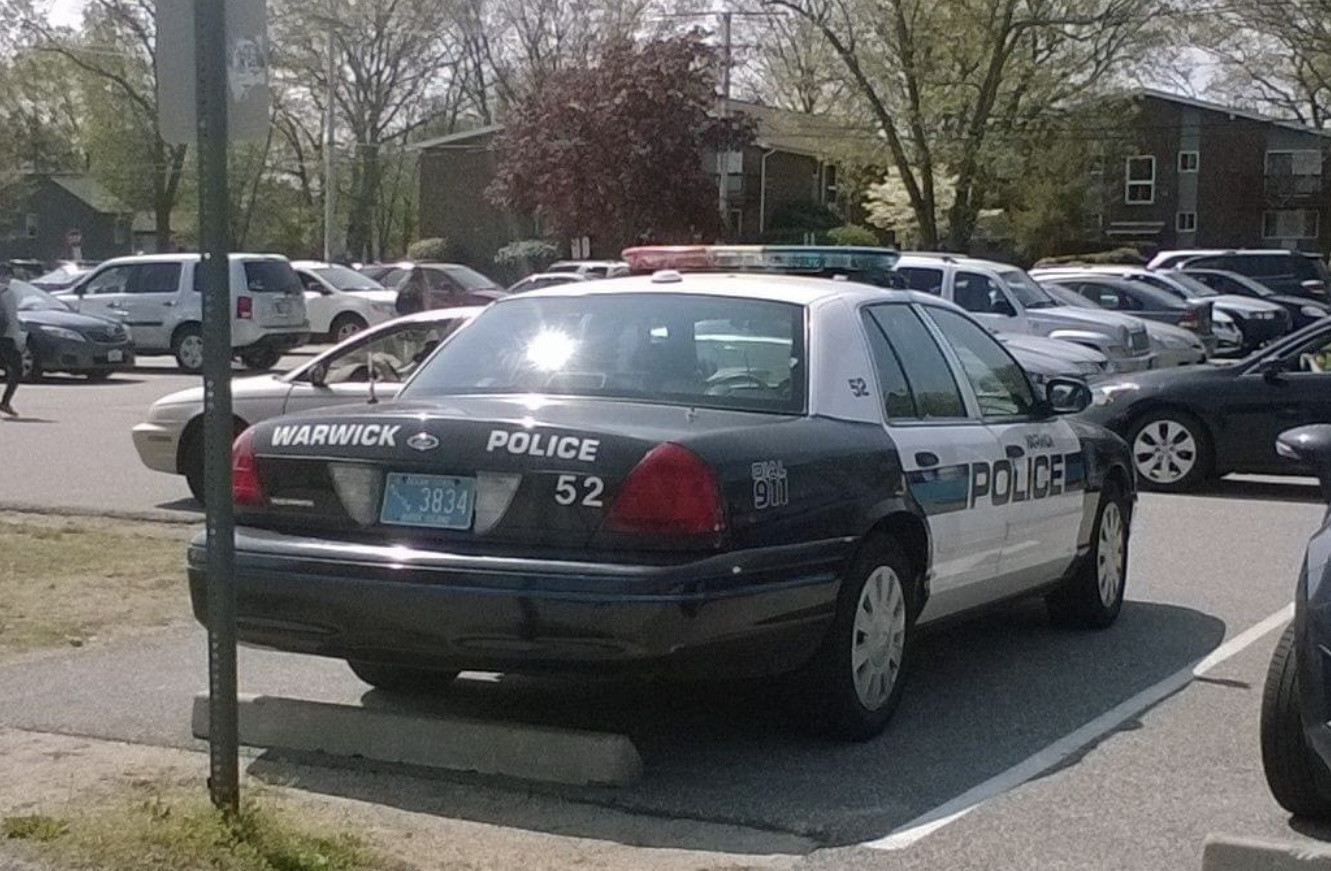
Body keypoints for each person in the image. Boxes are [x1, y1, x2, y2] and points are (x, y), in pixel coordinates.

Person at [0, 264, 24, 417]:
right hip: (5, 337)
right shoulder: (7, 293)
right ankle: (5, 401)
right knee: (16, 369)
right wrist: (18, 340)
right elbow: (12, 320)